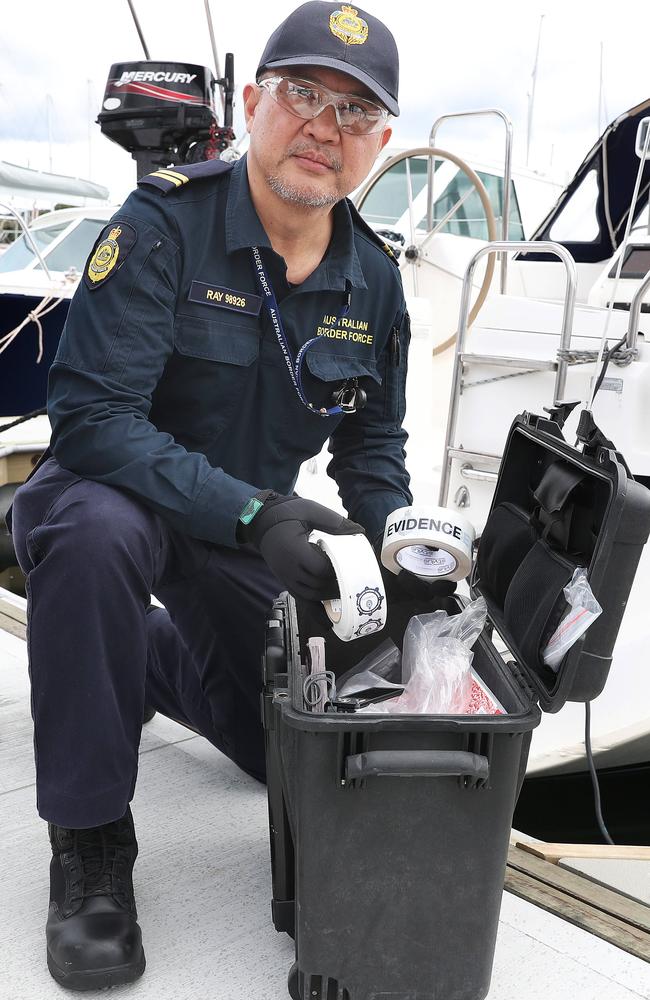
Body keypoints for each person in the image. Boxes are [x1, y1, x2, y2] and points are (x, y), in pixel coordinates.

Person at [9, 1, 433, 989]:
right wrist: (261, 513)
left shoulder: (373, 282)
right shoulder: (164, 221)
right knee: (95, 536)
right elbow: (93, 422)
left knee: (266, 753)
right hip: (115, 496)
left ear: (378, 141)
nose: (323, 127)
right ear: (251, 103)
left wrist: (405, 554)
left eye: (354, 112)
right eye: (301, 94)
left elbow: (372, 452)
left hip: (245, 531)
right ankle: (91, 848)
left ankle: (153, 665)